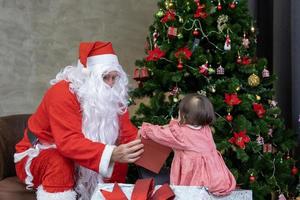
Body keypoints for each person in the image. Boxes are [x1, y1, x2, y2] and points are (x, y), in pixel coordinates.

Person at [14, 41, 144, 200]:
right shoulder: (61, 93)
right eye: (105, 78)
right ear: (88, 75)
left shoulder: (111, 95)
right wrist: (111, 154)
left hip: (79, 154)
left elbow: (128, 134)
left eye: (114, 78)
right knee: (59, 162)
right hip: (39, 153)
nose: (110, 84)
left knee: (120, 157)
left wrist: (160, 138)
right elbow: (68, 141)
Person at [139, 93, 236, 196]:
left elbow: (161, 134)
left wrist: (145, 129)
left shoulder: (180, 134)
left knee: (186, 194)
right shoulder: (206, 129)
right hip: (215, 176)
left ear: (183, 115)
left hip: (195, 178)